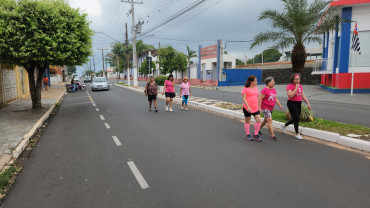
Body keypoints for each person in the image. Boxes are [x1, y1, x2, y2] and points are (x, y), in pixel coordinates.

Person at [281, 74, 311, 140]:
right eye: (296, 79)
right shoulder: (289, 86)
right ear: (292, 80)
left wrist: (308, 103)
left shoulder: (300, 86)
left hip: (298, 103)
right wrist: (296, 88)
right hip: (292, 103)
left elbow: (303, 95)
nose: (298, 80)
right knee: (296, 117)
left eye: (299, 79)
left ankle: (284, 125)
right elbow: (290, 96)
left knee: (296, 118)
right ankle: (297, 134)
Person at [258, 77, 283, 141]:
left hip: (271, 108)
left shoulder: (274, 90)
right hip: (265, 107)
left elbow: (276, 98)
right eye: (272, 81)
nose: (273, 83)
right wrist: (259, 108)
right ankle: (272, 135)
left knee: (265, 120)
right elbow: (260, 99)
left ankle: (257, 129)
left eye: (274, 81)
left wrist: (279, 105)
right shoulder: (264, 90)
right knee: (269, 120)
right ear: (268, 83)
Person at [241, 75, 263, 142]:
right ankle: (248, 135)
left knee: (259, 120)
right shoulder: (245, 88)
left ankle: (255, 134)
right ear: (251, 81)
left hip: (255, 107)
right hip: (247, 107)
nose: (257, 81)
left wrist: (259, 107)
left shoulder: (256, 88)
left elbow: (257, 98)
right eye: (255, 80)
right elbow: (244, 98)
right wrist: (248, 107)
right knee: (247, 121)